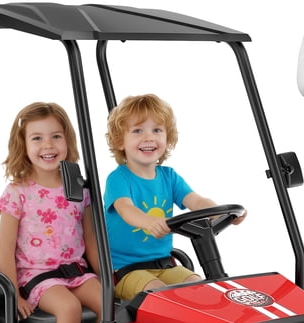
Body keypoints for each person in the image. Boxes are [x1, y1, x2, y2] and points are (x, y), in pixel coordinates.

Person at [0, 102, 101, 323]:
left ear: (67, 140)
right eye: (37, 138)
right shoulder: (18, 192)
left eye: (56, 136)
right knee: (69, 308)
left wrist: (107, 275)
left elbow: (90, 237)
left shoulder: (79, 190)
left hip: (77, 271)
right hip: (38, 276)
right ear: (24, 145)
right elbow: (5, 250)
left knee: (109, 302)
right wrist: (14, 294)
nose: (48, 145)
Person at [104, 93, 247, 301]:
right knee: (161, 295)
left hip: (166, 265)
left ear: (167, 138)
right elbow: (126, 209)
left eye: (157, 130)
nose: (149, 137)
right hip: (125, 270)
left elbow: (196, 201)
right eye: (137, 131)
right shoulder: (118, 178)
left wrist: (220, 212)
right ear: (120, 142)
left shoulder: (169, 177)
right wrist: (150, 222)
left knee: (202, 288)